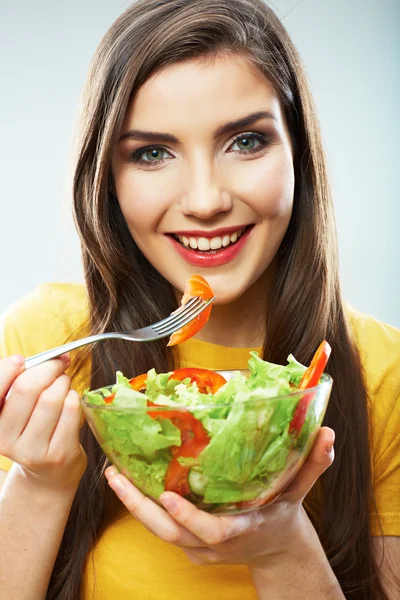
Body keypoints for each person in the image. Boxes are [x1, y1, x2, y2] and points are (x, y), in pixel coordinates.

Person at [0, 0, 399, 598]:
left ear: (299, 155)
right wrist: (38, 482)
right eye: (152, 153)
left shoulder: (382, 372)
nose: (206, 200)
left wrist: (280, 543)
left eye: (245, 141)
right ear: (108, 179)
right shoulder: (50, 341)